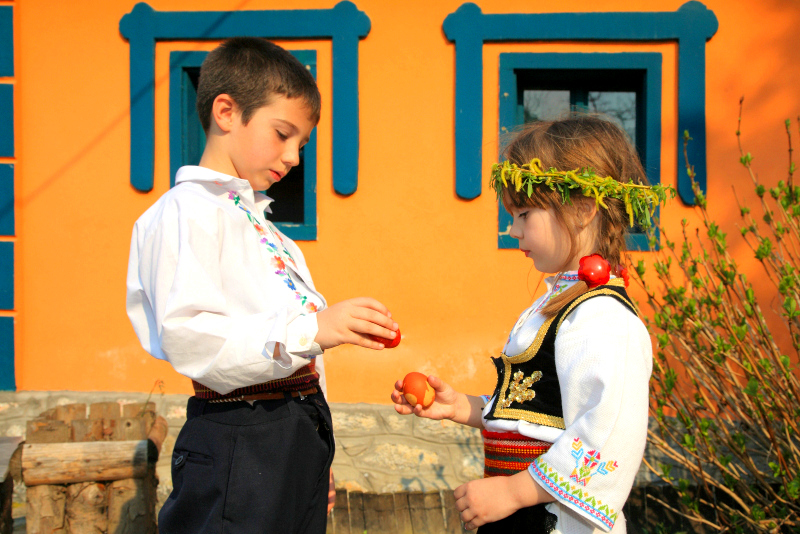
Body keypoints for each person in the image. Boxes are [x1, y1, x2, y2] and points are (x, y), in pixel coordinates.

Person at [127, 37, 398, 534]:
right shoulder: (185, 213)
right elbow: (190, 337)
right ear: (227, 112)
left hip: (291, 432)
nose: (294, 157)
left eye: (302, 144)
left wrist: (314, 446)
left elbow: (306, 357)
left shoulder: (272, 234)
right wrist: (313, 330)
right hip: (239, 435)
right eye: (282, 134)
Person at [391, 115, 672, 533]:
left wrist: (512, 492)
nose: (512, 229)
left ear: (580, 209)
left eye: (523, 215)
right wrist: (465, 408)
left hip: (556, 520)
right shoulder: (561, 303)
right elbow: (540, 412)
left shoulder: (603, 318)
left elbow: (609, 430)